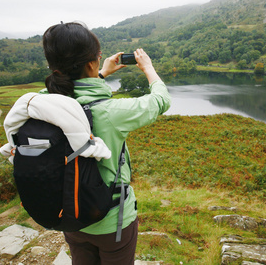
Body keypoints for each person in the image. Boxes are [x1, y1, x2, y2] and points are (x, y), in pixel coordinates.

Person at [41, 21, 171, 264]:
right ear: (91, 62)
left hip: (70, 214)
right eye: (97, 57)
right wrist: (148, 67)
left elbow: (72, 91)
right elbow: (161, 100)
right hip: (112, 223)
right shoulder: (111, 112)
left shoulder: (45, 103)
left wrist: (101, 73)